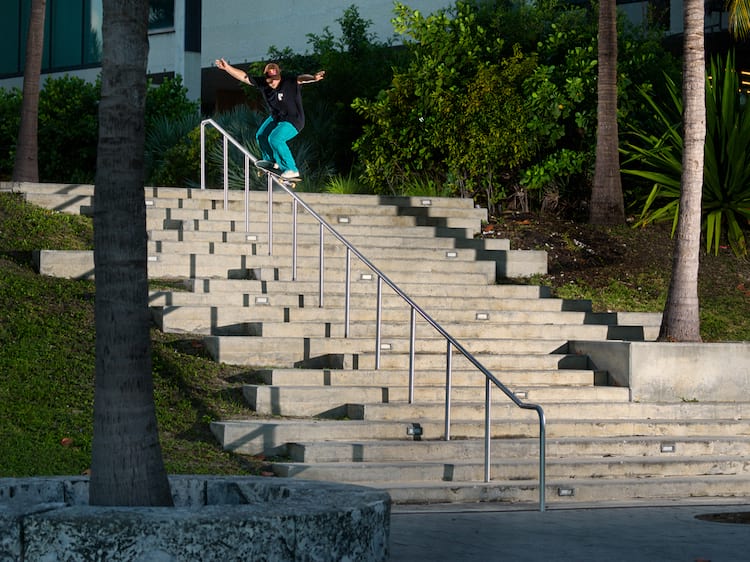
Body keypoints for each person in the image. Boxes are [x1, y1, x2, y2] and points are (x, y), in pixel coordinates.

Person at [214, 58, 325, 180]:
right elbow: (244, 77)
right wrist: (227, 68)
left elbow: (302, 78)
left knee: (275, 139)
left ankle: (291, 169)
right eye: (270, 80)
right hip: (277, 118)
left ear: (279, 76)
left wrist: (313, 78)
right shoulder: (263, 83)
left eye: (275, 80)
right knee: (261, 135)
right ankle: (271, 161)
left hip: (294, 120)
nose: (272, 83)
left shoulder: (289, 81)